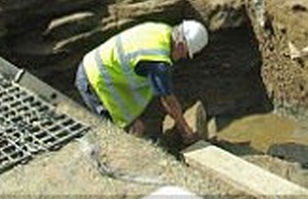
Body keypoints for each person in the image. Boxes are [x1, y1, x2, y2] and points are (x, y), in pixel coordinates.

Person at [76, 20, 209, 144]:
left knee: (134, 125)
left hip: (97, 65)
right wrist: (184, 129)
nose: (182, 58)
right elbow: (168, 100)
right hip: (95, 81)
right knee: (130, 131)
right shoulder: (158, 61)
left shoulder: (162, 30)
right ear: (180, 45)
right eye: (184, 54)